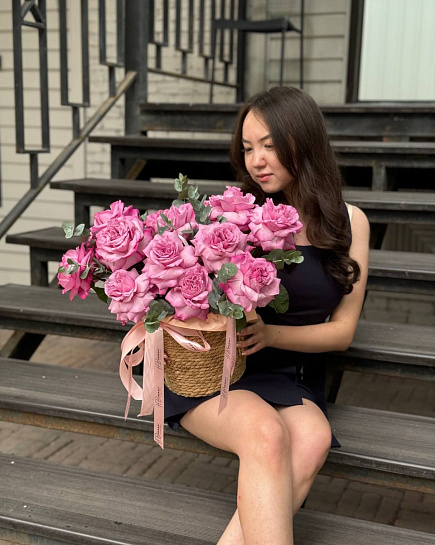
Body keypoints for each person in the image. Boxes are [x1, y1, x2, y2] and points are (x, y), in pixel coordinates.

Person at [163, 86, 370, 545]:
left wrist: (271, 335)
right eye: (249, 147)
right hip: (215, 369)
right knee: (265, 433)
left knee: (312, 438)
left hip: (284, 368)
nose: (257, 160)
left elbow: (342, 332)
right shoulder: (235, 216)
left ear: (304, 141)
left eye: (271, 145)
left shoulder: (349, 221)